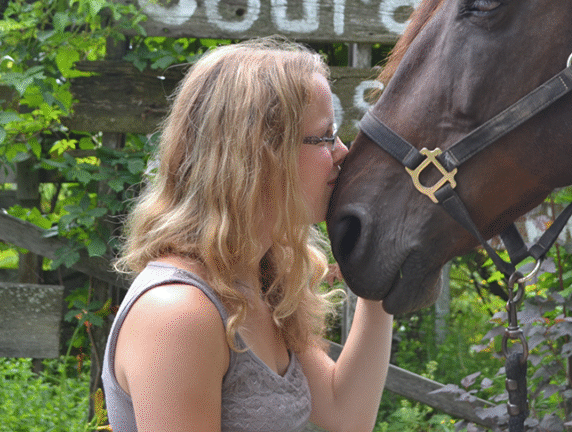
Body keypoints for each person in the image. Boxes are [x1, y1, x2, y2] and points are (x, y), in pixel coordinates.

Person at [102, 38, 393, 432]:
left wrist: (376, 286)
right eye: (325, 136)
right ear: (260, 154)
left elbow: (346, 414)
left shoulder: (262, 281)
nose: (342, 151)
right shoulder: (177, 313)